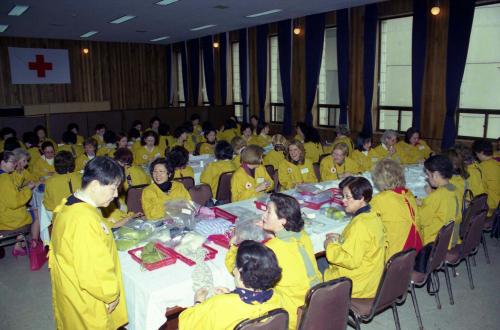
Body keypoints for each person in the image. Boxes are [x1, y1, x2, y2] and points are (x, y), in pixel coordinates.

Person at [48, 156, 128, 329]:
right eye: (113, 188)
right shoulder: (83, 220)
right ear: (94, 185)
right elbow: (93, 269)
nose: (116, 195)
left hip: (71, 288)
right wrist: (111, 295)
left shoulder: (72, 202)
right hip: (88, 298)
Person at [226, 193, 321, 329]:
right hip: (317, 303)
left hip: (292, 312)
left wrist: (234, 246)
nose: (263, 216)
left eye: (268, 212)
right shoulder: (304, 236)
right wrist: (271, 232)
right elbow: (287, 245)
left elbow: (240, 269)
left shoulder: (272, 249)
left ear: (283, 220)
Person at [179, 240, 283, 329]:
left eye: (235, 266)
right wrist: (231, 295)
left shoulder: (218, 304)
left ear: (240, 271)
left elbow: (186, 325)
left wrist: (198, 302)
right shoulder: (277, 298)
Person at [323, 177, 385, 298]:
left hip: (359, 283)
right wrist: (342, 239)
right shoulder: (372, 215)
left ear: (361, 198)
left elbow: (351, 261)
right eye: (343, 197)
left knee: (317, 267)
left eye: (347, 197)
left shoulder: (360, 224)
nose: (343, 201)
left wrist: (329, 246)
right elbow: (365, 243)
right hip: (372, 276)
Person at [371, 159, 422, 261]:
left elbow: (366, 217)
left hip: (397, 253)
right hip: (416, 248)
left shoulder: (380, 199)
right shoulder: (408, 193)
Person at [417, 155, 461, 248]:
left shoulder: (437, 196)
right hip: (452, 236)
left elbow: (421, 220)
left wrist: (414, 205)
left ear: (436, 175)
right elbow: (440, 205)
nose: (428, 178)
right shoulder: (454, 189)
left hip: (436, 241)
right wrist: (424, 202)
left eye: (428, 175)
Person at [0, 151, 36, 257]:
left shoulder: (4, 175)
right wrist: (28, 189)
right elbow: (15, 203)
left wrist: (20, 174)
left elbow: (14, 188)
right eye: (12, 162)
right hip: (7, 219)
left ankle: (20, 243)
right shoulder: (4, 179)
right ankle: (19, 245)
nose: (15, 164)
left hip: (3, 214)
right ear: (3, 162)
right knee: (35, 215)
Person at [472, 140, 499, 217]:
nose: (476, 156)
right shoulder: (496, 164)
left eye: (476, 153)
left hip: (488, 208)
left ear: (480, 152)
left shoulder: (482, 167)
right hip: (496, 207)